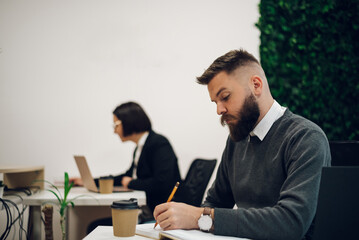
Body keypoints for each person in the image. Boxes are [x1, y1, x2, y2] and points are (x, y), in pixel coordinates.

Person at [153, 49, 331, 240]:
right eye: (215, 102)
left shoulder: (305, 138)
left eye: (225, 97)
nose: (219, 110)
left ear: (256, 85)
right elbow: (215, 202)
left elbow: (291, 222)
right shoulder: (236, 140)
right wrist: (186, 219)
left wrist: (199, 218)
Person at [80, 101, 181, 232]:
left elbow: (162, 183)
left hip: (157, 215)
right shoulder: (141, 147)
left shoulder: (159, 143)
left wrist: (131, 183)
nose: (114, 131)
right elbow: (126, 177)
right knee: (94, 226)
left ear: (129, 121)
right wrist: (91, 181)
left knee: (94, 228)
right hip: (147, 211)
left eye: (116, 125)